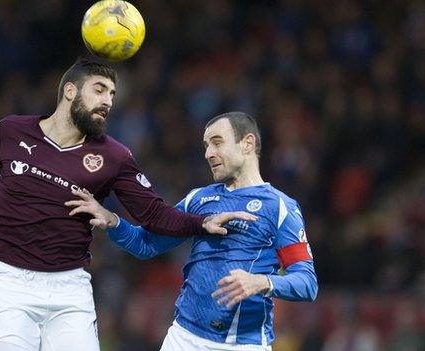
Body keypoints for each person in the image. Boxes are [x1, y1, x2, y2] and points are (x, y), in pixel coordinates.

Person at [0, 59, 254, 351]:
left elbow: (153, 213)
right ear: (70, 91)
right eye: (99, 89)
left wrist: (200, 223)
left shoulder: (114, 156)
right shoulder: (11, 131)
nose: (108, 101)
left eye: (112, 94)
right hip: (9, 281)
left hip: (70, 289)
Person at [66, 112, 318, 351]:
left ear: (247, 143)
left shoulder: (279, 207)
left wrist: (261, 282)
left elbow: (307, 283)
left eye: (217, 143)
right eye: (206, 145)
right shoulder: (199, 199)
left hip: (243, 343)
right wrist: (113, 221)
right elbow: (147, 245)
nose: (209, 153)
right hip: (183, 338)